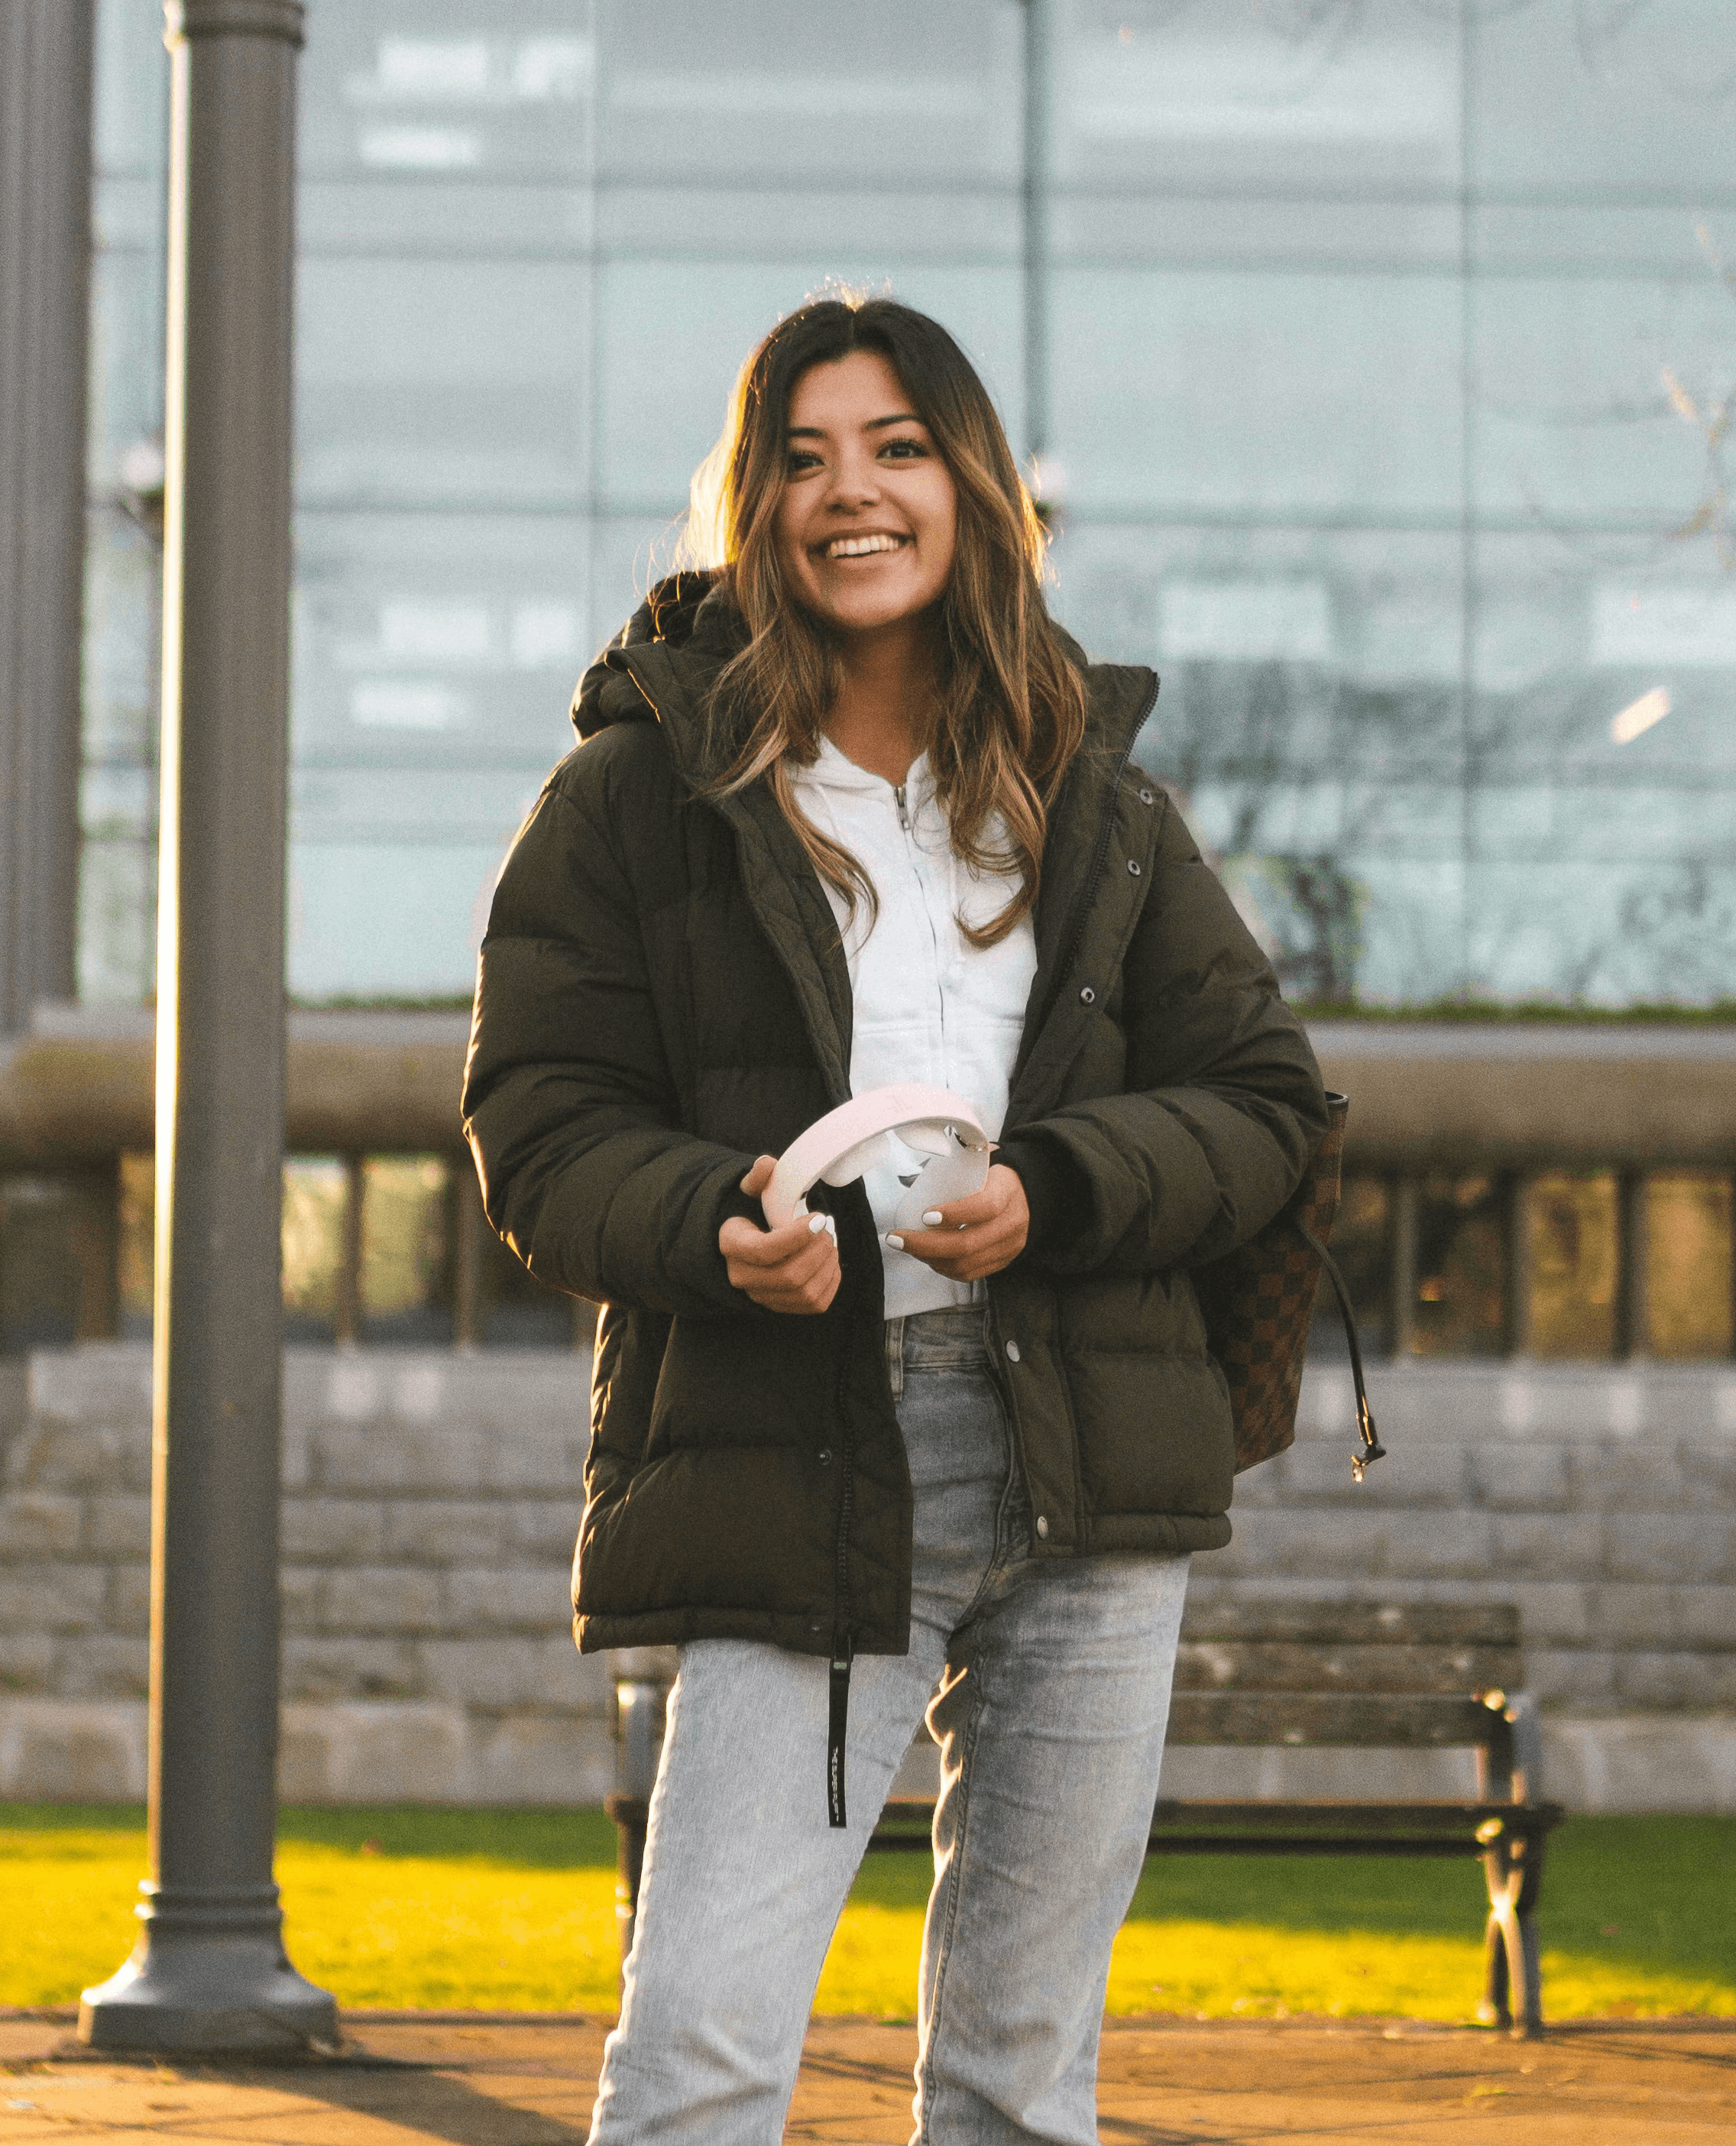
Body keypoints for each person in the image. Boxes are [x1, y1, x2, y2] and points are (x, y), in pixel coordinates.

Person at [462, 294, 1327, 2146]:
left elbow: (1264, 1106)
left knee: (1022, 2082)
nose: (847, 491)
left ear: (970, 489)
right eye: (799, 456)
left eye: (895, 447)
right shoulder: (639, 795)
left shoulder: (1093, 798)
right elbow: (537, 1130)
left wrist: (1062, 1191)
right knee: (698, 2054)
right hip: (802, 1445)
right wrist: (716, 1220)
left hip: (1087, 1462)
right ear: (753, 505)